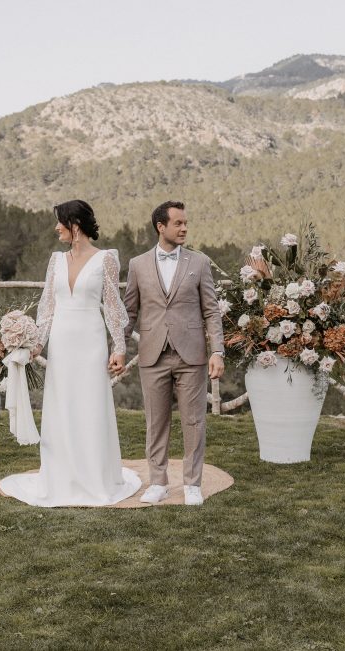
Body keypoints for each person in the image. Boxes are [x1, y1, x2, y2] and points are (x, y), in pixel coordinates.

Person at [0, 200, 142, 507]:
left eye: (59, 222)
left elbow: (114, 309)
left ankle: (94, 476)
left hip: (91, 342)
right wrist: (36, 343)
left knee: (90, 406)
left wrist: (119, 348)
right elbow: (47, 308)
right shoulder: (55, 261)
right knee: (61, 406)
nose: (56, 227)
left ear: (74, 224)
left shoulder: (106, 259)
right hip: (62, 343)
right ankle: (61, 475)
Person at [122, 201, 224, 506]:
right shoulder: (137, 265)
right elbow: (129, 311)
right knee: (156, 422)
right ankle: (158, 482)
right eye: (178, 223)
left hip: (191, 354)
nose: (184, 229)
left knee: (194, 421)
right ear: (160, 227)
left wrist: (217, 350)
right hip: (152, 354)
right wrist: (117, 348)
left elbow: (212, 311)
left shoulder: (200, 262)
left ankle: (192, 483)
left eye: (185, 223)